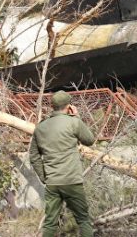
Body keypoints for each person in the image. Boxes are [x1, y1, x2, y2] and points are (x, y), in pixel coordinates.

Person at [29, 91, 96, 237]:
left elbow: (33, 156)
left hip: (52, 183)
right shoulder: (73, 122)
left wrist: (44, 177)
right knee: (83, 220)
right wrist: (77, 117)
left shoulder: (40, 127)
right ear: (69, 106)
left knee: (50, 223)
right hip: (72, 181)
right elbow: (90, 140)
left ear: (52, 106)